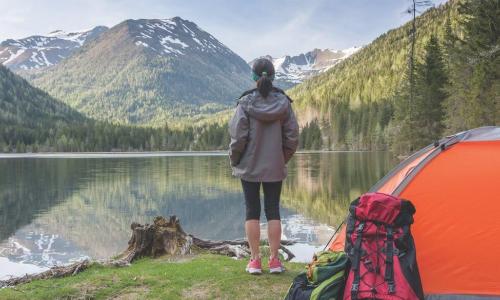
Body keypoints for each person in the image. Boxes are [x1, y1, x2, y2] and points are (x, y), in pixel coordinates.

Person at [228, 58, 299, 275]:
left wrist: (235, 159)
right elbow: (292, 137)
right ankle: (275, 261)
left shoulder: (245, 103)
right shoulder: (284, 104)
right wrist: (280, 157)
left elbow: (238, 137)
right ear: (272, 76)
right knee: (273, 210)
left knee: (252, 211)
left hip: (248, 165)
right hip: (274, 165)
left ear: (254, 77)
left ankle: (255, 261)